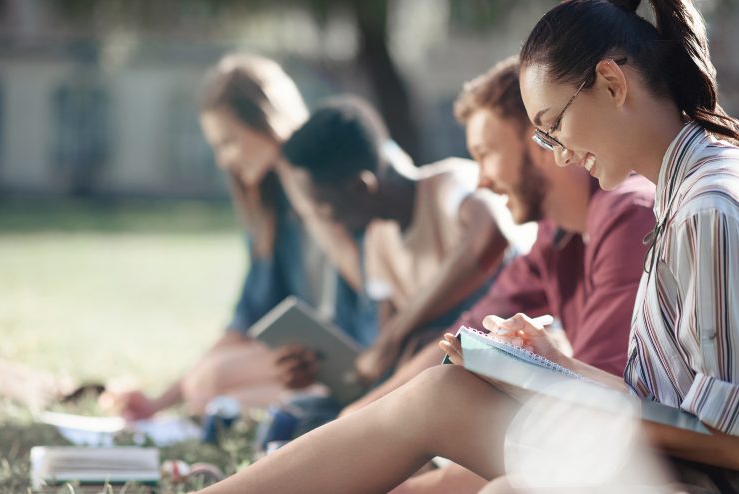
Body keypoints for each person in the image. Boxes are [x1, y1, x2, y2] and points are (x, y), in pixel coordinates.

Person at [196, 0, 739, 489]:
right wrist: (552, 365)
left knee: (483, 456)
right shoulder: (683, 195)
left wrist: (552, 390)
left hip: (685, 480)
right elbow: (673, 404)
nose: (559, 156)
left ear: (612, 84)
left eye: (553, 127)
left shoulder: (707, 209)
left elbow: (727, 439)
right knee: (444, 397)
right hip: (662, 465)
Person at [113, 54, 371, 419]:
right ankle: (297, 405)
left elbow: (370, 284)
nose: (223, 160)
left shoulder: (339, 183)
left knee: (211, 381)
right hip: (306, 359)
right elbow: (245, 322)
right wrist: (158, 402)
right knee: (205, 383)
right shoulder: (271, 207)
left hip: (362, 352)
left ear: (267, 120)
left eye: (229, 142)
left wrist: (299, 185)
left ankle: (321, 405)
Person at [280, 96, 516, 385]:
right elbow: (387, 348)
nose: (323, 220)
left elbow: (489, 236)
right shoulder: (378, 241)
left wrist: (396, 335)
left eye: (322, 207)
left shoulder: (449, 184)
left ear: (360, 187)